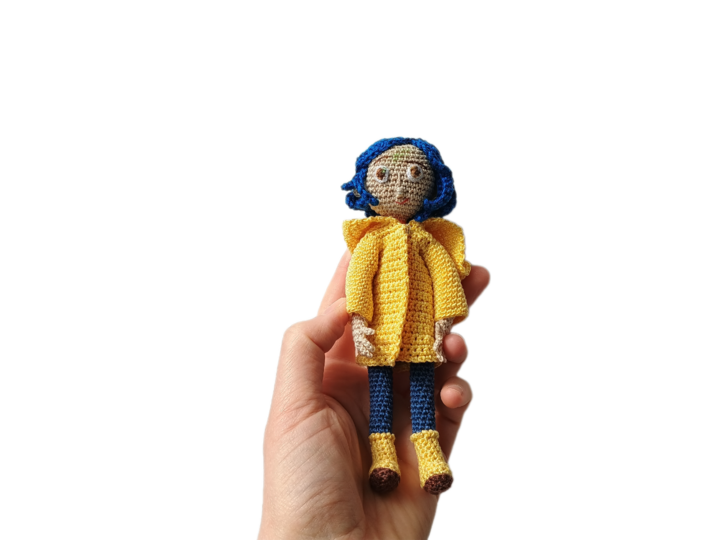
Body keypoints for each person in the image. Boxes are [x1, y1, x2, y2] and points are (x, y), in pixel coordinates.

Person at [259, 251, 490, 539]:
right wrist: (359, 324)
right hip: (379, 337)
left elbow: (445, 277)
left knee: (423, 396)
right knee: (381, 399)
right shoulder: (371, 242)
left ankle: (430, 457)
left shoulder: (427, 242)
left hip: (421, 336)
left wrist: (442, 321)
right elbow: (359, 282)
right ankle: (382, 458)